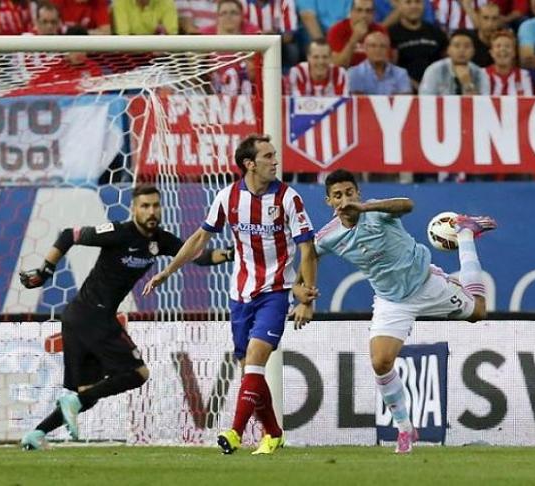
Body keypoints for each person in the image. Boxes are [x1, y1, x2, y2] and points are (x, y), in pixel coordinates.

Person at [18, 185, 234, 450]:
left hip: (79, 317)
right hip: (92, 315)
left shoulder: (161, 241)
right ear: (134, 209)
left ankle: (36, 435)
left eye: (155, 205)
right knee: (138, 373)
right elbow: (68, 235)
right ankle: (63, 411)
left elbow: (199, 257)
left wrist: (232, 253)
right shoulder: (119, 233)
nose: (151, 211)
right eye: (145, 206)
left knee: (85, 393)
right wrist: (45, 272)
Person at [143, 134, 318, 455]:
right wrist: (168, 270)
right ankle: (274, 433)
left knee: (254, 359)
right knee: (249, 369)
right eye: (268, 156)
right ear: (249, 164)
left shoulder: (288, 198)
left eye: (274, 155)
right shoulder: (228, 197)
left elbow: (307, 249)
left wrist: (306, 299)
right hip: (240, 295)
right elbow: (199, 239)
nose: (275, 161)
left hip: (276, 293)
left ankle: (235, 433)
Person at [300, 169, 496, 454]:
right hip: (392, 301)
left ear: (358, 193)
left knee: (478, 311)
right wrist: (302, 294)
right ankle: (405, 429)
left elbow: (407, 204)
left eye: (349, 193)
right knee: (380, 362)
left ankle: (466, 232)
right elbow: (310, 255)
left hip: (426, 283)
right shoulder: (329, 235)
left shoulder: (377, 211)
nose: (344, 200)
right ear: (329, 201)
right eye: (338, 196)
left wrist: (366, 207)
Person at [389, 0, 448, 90]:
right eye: (408, 2)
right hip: (404, 92)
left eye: (418, 2)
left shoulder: (437, 33)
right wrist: (418, 87)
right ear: (399, 6)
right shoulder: (391, 34)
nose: (414, 6)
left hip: (437, 90)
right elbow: (391, 68)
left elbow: (447, 63)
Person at [419, 29, 490, 94]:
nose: (461, 50)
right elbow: (424, 100)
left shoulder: (480, 74)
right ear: (448, 50)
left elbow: (482, 104)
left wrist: (467, 83)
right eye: (457, 46)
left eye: (467, 46)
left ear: (473, 51)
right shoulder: (434, 70)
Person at [328, 0, 389, 68]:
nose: (363, 15)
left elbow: (385, 65)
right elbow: (338, 66)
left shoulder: (380, 31)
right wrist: (354, 38)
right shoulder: (337, 30)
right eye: (359, 10)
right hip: (347, 75)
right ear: (351, 12)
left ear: (373, 14)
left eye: (368, 11)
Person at [484, 29, 533, 94]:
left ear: (514, 53)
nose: (503, 49)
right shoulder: (482, 74)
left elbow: (528, 101)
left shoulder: (524, 75)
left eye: (507, 46)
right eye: (498, 46)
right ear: (491, 53)